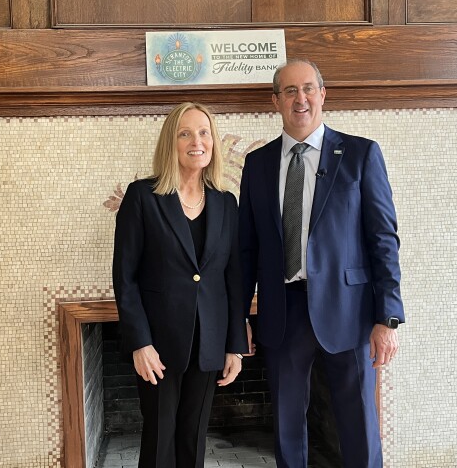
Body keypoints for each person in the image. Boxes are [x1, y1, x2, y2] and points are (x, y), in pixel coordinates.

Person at [238, 60, 405, 468]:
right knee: (286, 429)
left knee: (359, 425)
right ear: (275, 100)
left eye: (309, 88)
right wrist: (238, 315)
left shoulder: (361, 154)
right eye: (290, 91)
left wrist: (388, 317)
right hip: (282, 312)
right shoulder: (256, 165)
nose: (301, 99)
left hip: (351, 312)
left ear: (323, 94)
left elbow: (383, 240)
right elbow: (247, 249)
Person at [112, 102, 248, 468]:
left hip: (209, 344)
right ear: (170, 143)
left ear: (214, 142)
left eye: (204, 132)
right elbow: (125, 278)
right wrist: (140, 342)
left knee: (193, 439)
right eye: (184, 133)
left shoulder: (226, 203)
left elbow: (233, 281)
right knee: (160, 440)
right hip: (158, 346)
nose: (196, 141)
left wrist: (235, 346)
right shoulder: (143, 197)